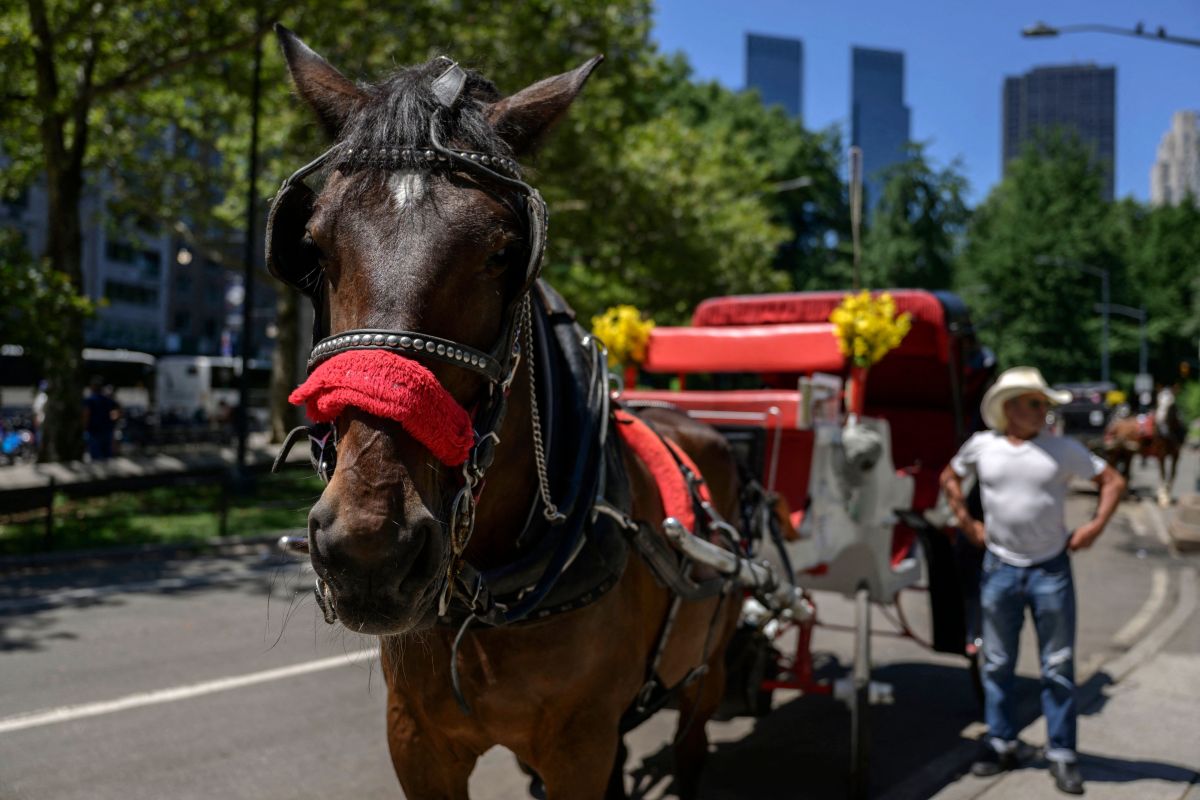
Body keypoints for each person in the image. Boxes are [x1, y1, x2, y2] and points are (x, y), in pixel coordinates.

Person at [939, 366, 1126, 795]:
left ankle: (1061, 753)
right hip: (999, 568)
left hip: (1050, 569)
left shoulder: (1062, 450)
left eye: (1044, 403)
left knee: (1057, 667)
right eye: (1036, 403)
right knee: (997, 663)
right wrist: (966, 523)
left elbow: (1112, 481)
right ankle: (1000, 741)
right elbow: (949, 477)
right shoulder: (982, 447)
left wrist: (1094, 528)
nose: (1044, 411)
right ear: (1010, 408)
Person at [82, 376, 120, 461]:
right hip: (107, 431)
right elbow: (117, 411)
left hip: (94, 432)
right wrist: (114, 422)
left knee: (96, 458)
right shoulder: (107, 399)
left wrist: (84, 428)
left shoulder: (90, 400)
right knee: (107, 457)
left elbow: (86, 415)